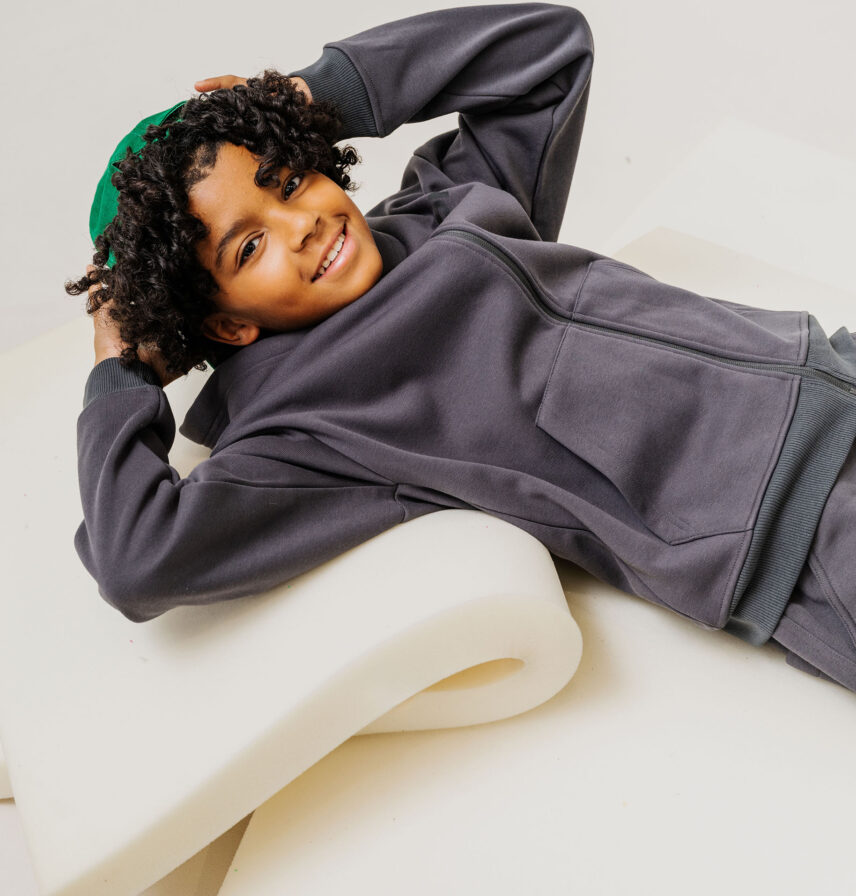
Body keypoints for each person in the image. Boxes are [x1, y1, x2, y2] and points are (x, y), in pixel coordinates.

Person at [66, 2, 856, 691]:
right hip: (805, 531)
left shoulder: (443, 206)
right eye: (248, 248)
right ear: (225, 325)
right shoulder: (305, 424)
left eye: (287, 179)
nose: (299, 223)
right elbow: (137, 559)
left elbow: (550, 51)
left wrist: (314, 93)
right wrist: (120, 368)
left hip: (833, 368)